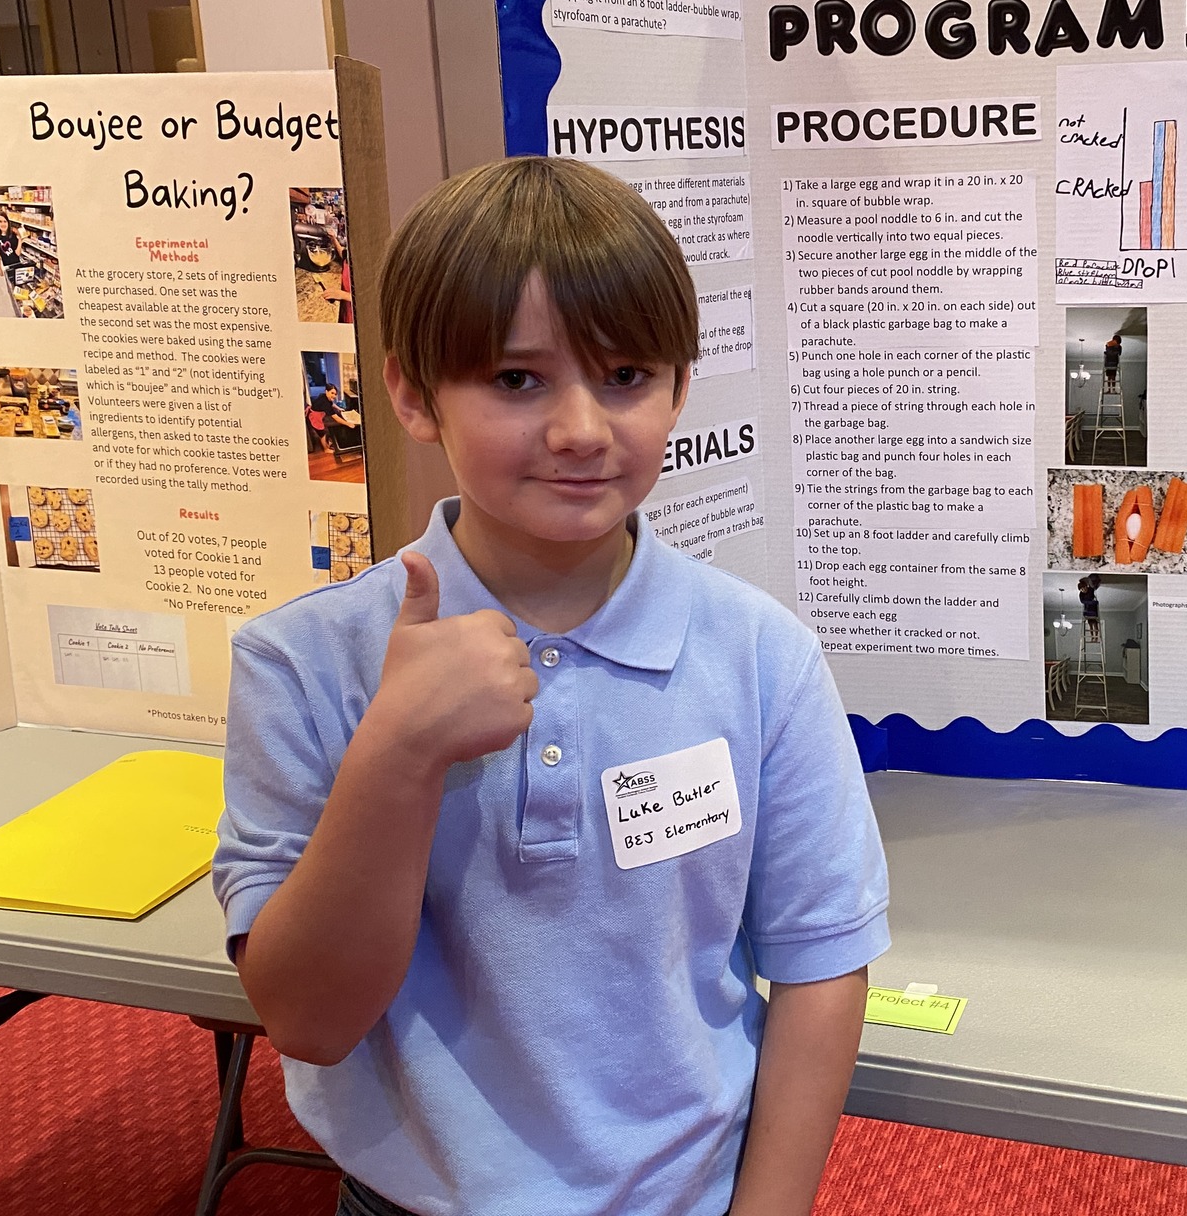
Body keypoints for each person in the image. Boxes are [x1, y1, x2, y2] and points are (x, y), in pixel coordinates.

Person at [215, 158, 888, 1216]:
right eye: (517, 380)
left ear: (678, 385)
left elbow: (818, 966)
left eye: (625, 376)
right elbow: (307, 1017)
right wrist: (398, 752)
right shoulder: (305, 661)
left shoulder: (761, 656)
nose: (581, 429)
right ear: (410, 392)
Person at [1079, 575, 1101, 640]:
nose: (1083, 590)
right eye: (1082, 589)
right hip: (1088, 609)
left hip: (1093, 609)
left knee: (1095, 624)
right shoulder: (1081, 594)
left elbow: (1092, 588)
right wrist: (1091, 602)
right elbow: (1082, 601)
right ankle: (1092, 637)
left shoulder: (1090, 590)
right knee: (1090, 625)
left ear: (1086, 586)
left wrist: (1092, 602)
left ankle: (1096, 637)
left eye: (1084, 588)